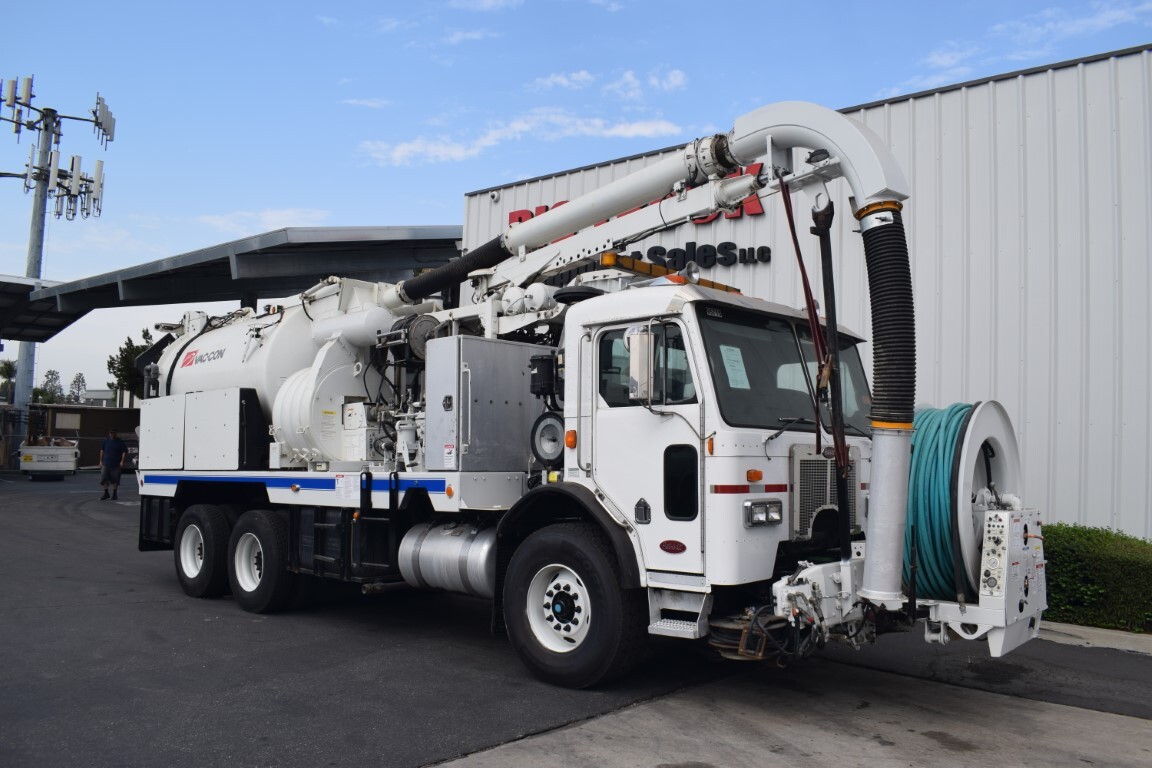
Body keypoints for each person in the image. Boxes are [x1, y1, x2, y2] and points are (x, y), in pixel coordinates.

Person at [98, 428, 129, 500]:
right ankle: (106, 493)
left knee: (115, 479)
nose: (111, 434)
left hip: (116, 464)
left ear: (116, 433)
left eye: (113, 433)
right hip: (105, 463)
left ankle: (114, 494)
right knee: (104, 478)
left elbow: (124, 452)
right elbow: (102, 450)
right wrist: (100, 461)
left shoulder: (120, 442)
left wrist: (122, 461)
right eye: (110, 433)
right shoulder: (106, 441)